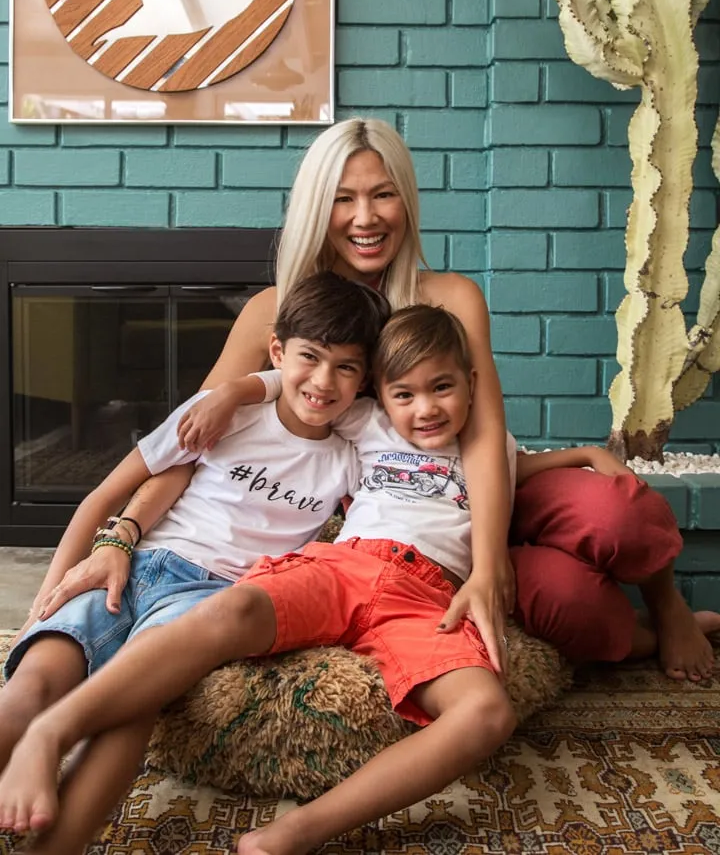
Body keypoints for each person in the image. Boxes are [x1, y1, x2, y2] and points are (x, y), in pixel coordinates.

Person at [21, 117, 713, 692]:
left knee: (613, 509)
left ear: (406, 201)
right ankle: (642, 639)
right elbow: (197, 440)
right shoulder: (273, 311)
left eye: (383, 195)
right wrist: (123, 531)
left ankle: (668, 604)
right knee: (572, 604)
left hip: (485, 483)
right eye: (343, 199)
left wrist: (492, 562)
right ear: (315, 208)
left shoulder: (452, 297)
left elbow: (484, 432)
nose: (365, 218)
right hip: (397, 519)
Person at [3, 305, 718, 854]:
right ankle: (51, 730)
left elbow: (528, 469)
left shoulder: (491, 446)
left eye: (442, 388)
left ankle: (297, 833)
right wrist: (233, 390)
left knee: (485, 713)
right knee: (229, 614)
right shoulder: (366, 424)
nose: (425, 408)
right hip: (346, 565)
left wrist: (590, 450)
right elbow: (305, 386)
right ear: (379, 394)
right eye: (403, 393)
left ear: (473, 384)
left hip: (429, 596)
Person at [0, 271, 390, 849]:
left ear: (364, 379)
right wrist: (45, 603)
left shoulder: (349, 457)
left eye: (347, 367)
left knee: (132, 708)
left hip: (210, 599)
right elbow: (106, 494)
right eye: (310, 357)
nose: (323, 381)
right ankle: (30, 746)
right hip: (138, 564)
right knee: (36, 674)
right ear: (279, 350)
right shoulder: (220, 413)